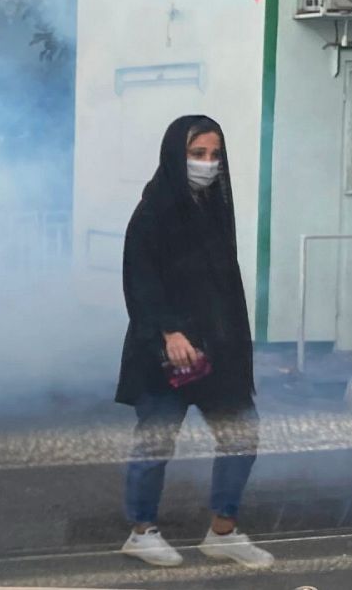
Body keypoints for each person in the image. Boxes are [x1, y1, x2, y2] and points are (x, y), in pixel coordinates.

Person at [115, 115, 272, 569]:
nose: (208, 164)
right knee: (156, 443)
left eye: (214, 155)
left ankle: (223, 531)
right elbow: (139, 280)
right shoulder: (153, 211)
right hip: (168, 353)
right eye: (197, 154)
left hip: (218, 350)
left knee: (242, 433)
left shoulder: (215, 206)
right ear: (174, 155)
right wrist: (169, 330)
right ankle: (141, 530)